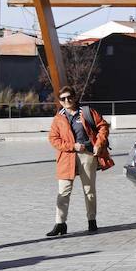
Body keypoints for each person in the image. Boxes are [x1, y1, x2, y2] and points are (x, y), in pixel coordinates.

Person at [45, 87, 110, 236]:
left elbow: (103, 126)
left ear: (75, 97)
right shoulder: (58, 118)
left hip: (87, 155)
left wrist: (99, 143)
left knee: (89, 189)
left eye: (69, 97)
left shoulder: (86, 112)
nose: (66, 101)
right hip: (66, 157)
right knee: (63, 191)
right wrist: (72, 146)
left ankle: (92, 221)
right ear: (60, 101)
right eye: (63, 99)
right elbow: (53, 139)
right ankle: (60, 224)